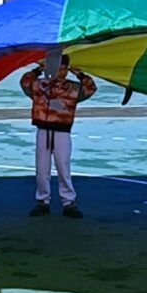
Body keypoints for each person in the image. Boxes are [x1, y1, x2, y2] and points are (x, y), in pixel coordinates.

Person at [20, 50, 96, 218]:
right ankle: (43, 201)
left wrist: (80, 74)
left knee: (63, 167)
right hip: (43, 130)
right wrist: (38, 70)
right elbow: (25, 81)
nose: (59, 71)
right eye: (57, 67)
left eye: (63, 68)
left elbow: (91, 87)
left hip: (62, 132)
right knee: (42, 168)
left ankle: (68, 202)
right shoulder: (40, 84)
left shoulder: (72, 88)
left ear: (67, 69)